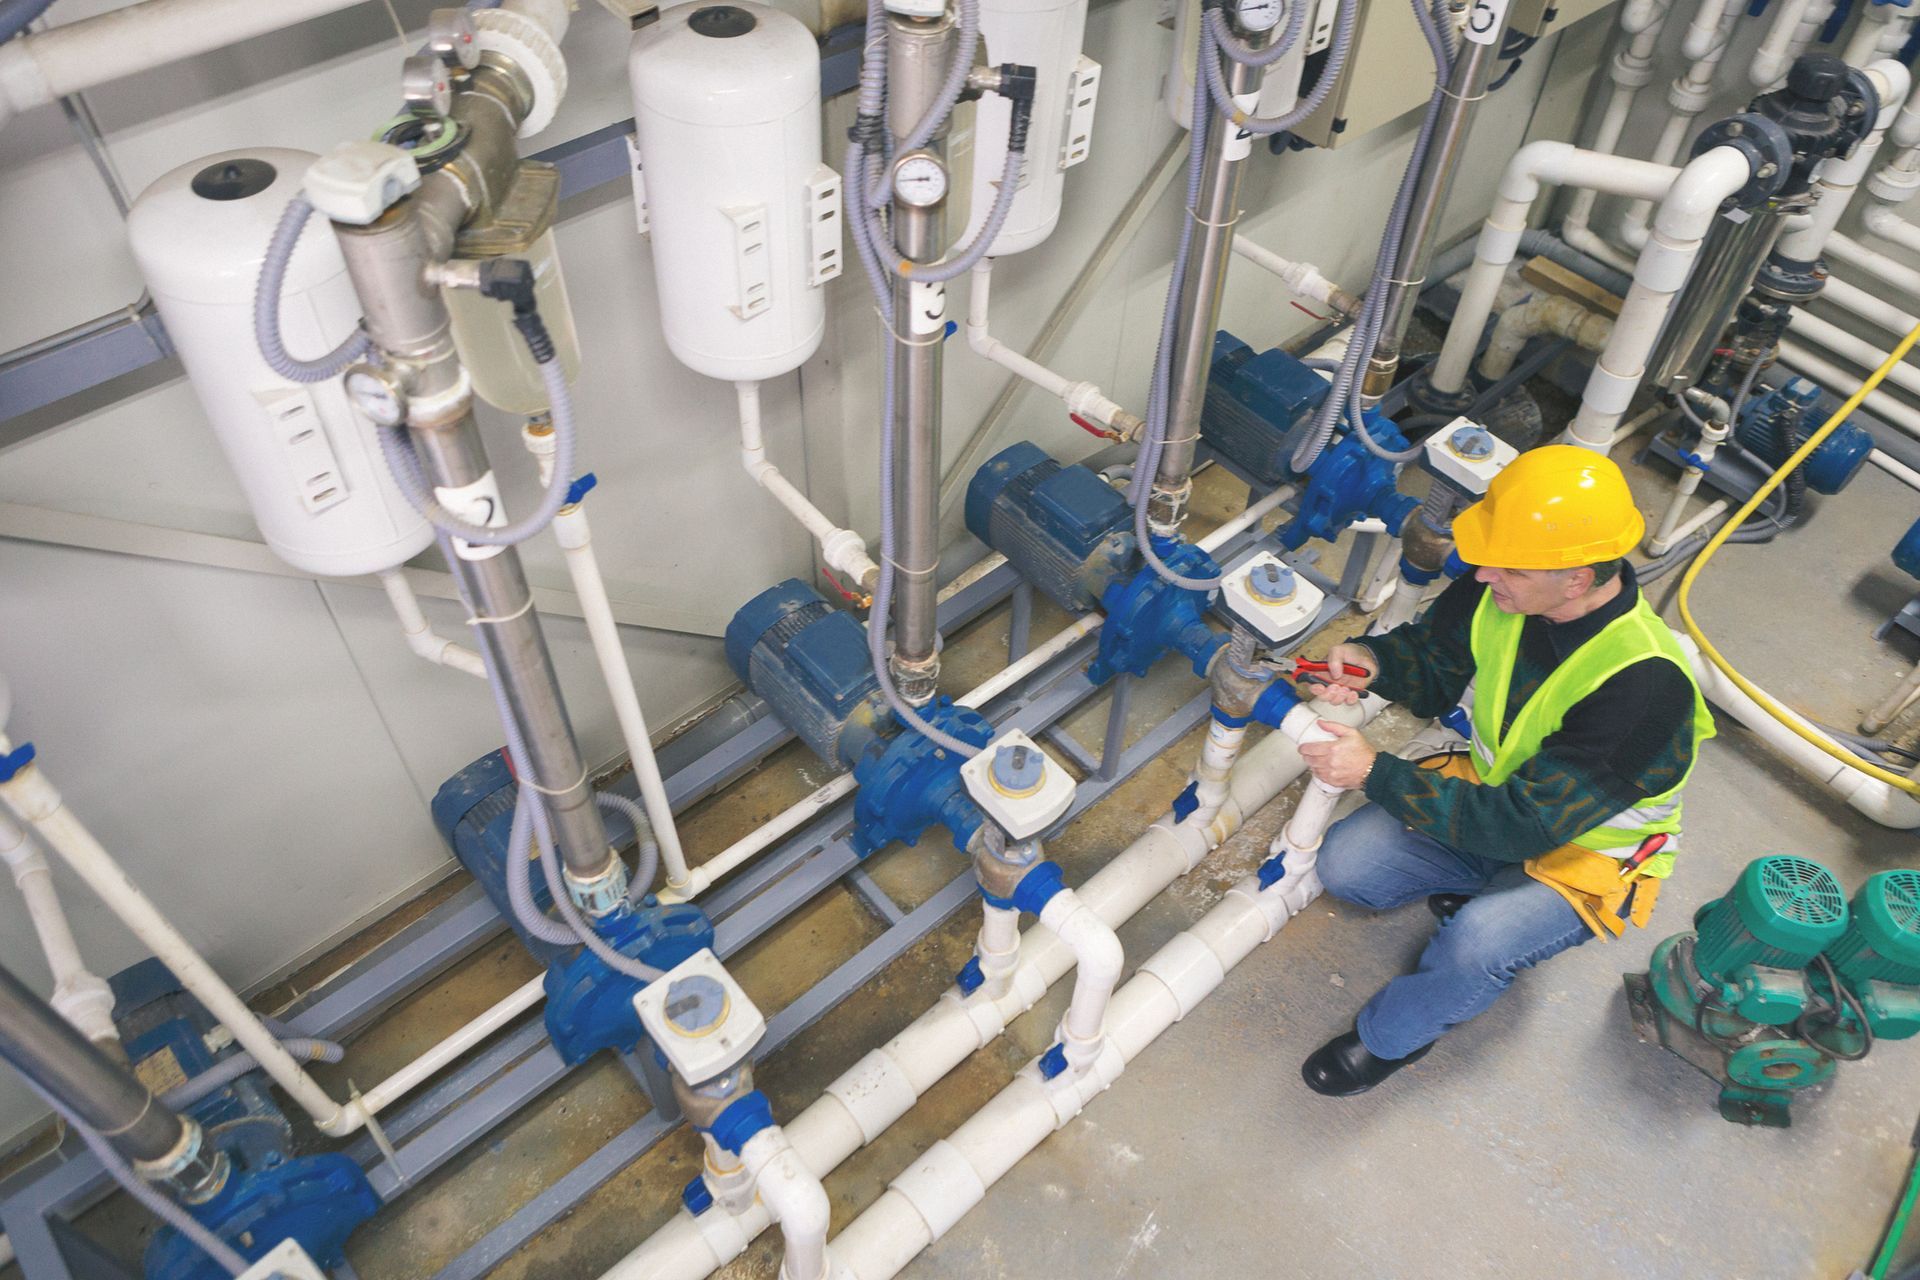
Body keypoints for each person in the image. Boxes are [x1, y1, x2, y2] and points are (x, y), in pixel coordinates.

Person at [1293, 445, 1715, 1096]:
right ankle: (1481, 886)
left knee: (1475, 947)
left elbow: (1528, 827)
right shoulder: (1503, 587)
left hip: (1583, 852)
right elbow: (1433, 661)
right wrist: (1373, 661)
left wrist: (1374, 772)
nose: (1484, 573)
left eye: (1507, 565)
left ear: (1576, 578)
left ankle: (1391, 1040)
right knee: (1349, 868)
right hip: (1505, 801)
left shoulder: (1645, 688)